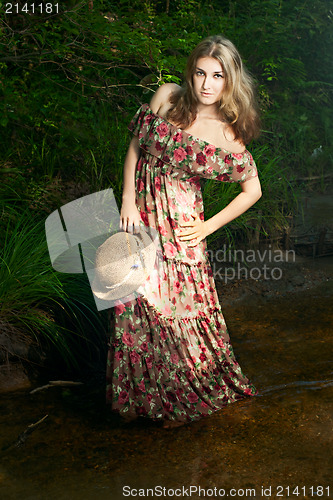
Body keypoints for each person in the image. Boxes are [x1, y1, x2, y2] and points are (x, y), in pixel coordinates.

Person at [106, 35, 262, 429]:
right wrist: (127, 198)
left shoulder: (227, 133)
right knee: (133, 308)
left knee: (177, 313)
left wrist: (207, 226)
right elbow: (134, 149)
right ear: (190, 72)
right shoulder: (167, 97)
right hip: (139, 216)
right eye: (200, 73)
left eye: (218, 76)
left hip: (181, 230)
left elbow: (253, 189)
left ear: (230, 81)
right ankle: (145, 401)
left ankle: (182, 398)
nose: (207, 84)